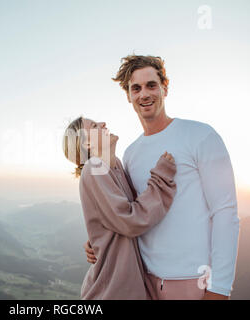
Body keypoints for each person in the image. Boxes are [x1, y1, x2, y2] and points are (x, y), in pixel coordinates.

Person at [83, 55, 240, 300]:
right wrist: (99, 242)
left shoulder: (200, 135)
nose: (144, 94)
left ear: (165, 88)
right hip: (142, 284)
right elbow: (131, 214)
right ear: (129, 97)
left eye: (151, 85)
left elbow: (225, 211)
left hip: (192, 282)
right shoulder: (131, 154)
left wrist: (219, 288)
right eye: (136, 88)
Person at [62, 116, 177, 299]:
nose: (103, 123)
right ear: (87, 145)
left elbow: (114, 220)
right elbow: (129, 221)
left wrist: (97, 241)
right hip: (112, 292)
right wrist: (161, 178)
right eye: (94, 126)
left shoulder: (115, 166)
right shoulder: (94, 167)